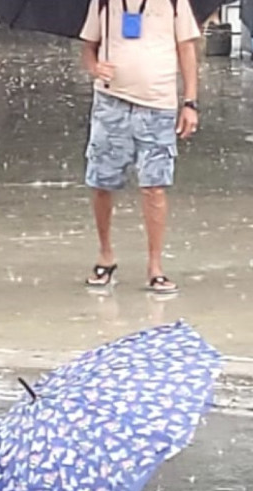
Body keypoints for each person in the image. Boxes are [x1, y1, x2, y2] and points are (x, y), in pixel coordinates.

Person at [80, 0, 200, 294]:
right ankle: (105, 254)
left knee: (155, 186)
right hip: (111, 103)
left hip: (158, 104)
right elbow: (88, 46)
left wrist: (190, 103)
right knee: (102, 182)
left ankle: (155, 266)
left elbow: (186, 48)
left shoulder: (174, 2)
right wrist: (95, 67)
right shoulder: (104, 2)